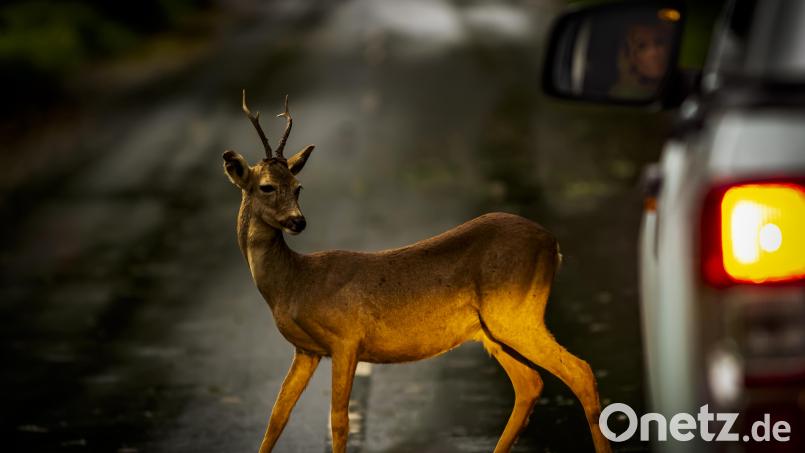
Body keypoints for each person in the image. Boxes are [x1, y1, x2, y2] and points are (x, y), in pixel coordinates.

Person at [609, 21, 672, 99]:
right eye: (642, 46)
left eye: (659, 42)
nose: (654, 53)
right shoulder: (625, 94)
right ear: (631, 58)